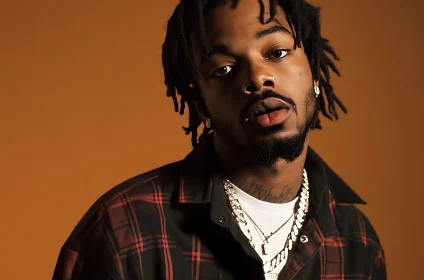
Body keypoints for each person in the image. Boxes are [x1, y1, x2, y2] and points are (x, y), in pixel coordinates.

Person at [53, 0, 387, 279]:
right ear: (201, 103)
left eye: (277, 52)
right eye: (224, 69)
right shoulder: (124, 228)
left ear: (313, 71)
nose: (258, 78)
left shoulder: (355, 240)